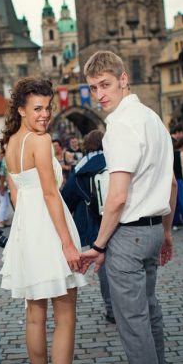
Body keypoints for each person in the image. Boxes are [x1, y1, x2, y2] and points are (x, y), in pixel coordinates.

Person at [78, 50, 177, 364]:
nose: (99, 94)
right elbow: (170, 185)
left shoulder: (119, 125)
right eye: (92, 88)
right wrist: (166, 233)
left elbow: (116, 197)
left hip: (129, 235)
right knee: (150, 319)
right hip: (153, 230)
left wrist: (99, 245)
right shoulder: (153, 119)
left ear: (124, 79)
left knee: (135, 327)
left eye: (105, 84)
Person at [0, 77, 86, 364]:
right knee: (64, 317)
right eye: (37, 108)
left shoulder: (10, 143)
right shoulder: (40, 140)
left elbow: (18, 197)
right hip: (50, 227)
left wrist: (25, 232)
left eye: (48, 107)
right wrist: (67, 243)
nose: (45, 114)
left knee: (35, 316)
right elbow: (51, 194)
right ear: (21, 109)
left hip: (26, 229)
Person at [60, 129, 114, 323]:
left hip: (94, 223)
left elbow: (68, 197)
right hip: (118, 220)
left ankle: (111, 309)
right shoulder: (115, 158)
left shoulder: (82, 166)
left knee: (104, 264)